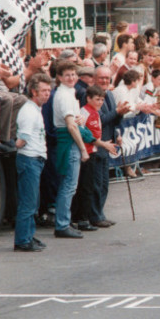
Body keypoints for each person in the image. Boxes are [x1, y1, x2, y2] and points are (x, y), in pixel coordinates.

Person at [14, 74, 52, 252]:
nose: (47, 94)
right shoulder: (29, 111)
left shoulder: (35, 109)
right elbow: (23, 139)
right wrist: (16, 147)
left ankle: (28, 235)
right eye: (43, 91)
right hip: (29, 159)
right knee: (28, 202)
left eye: (49, 90)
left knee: (33, 201)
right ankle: (22, 239)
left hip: (35, 159)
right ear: (33, 92)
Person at [72, 86, 118, 231]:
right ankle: (84, 218)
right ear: (89, 98)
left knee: (93, 185)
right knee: (87, 187)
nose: (99, 102)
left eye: (102, 100)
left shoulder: (95, 112)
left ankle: (89, 215)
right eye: (97, 99)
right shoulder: (85, 113)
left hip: (94, 150)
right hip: (88, 152)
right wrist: (102, 144)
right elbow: (88, 135)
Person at [52, 62, 90, 238]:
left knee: (68, 186)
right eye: (67, 75)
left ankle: (64, 222)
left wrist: (80, 118)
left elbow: (74, 120)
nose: (72, 78)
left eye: (74, 74)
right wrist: (83, 149)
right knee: (69, 186)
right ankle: (62, 224)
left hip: (69, 141)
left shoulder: (68, 93)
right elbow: (70, 126)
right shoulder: (65, 95)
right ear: (59, 77)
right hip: (69, 143)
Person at [93, 66, 128, 227]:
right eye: (102, 78)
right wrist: (117, 112)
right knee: (97, 183)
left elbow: (114, 118)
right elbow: (100, 120)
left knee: (105, 184)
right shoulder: (93, 96)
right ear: (95, 79)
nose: (105, 81)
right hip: (97, 145)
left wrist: (118, 133)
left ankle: (100, 213)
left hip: (109, 142)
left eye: (107, 78)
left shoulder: (110, 95)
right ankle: (95, 216)